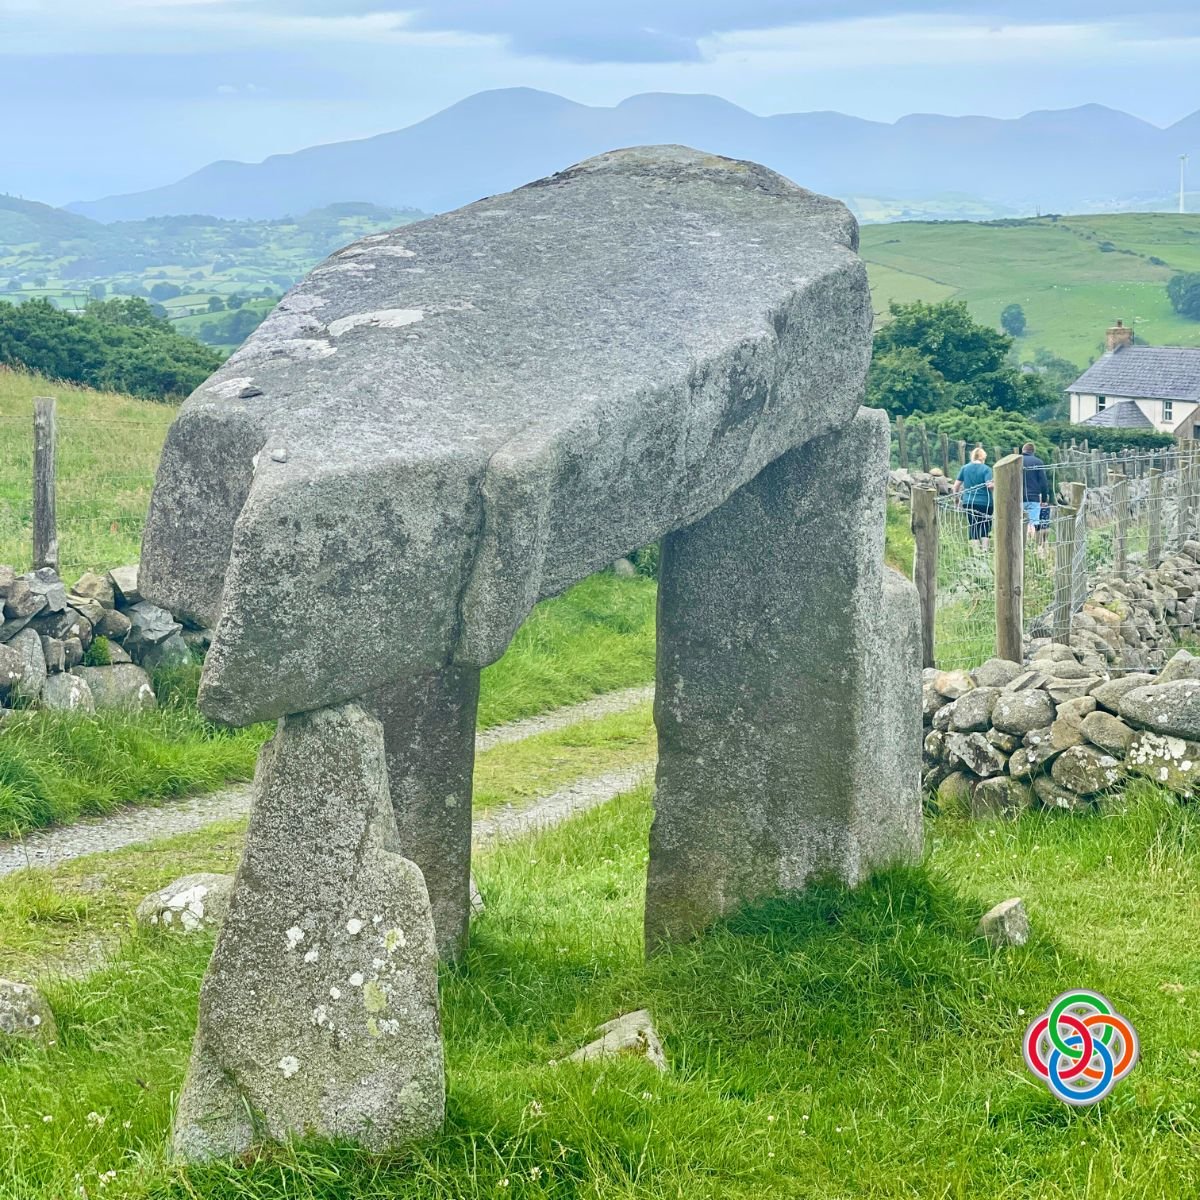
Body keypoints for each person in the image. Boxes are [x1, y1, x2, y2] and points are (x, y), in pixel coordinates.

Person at [954, 446, 994, 551]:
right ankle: (985, 551)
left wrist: (957, 499)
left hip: (969, 501)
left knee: (973, 525)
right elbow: (989, 485)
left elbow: (956, 486)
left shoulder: (965, 468)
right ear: (983, 457)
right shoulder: (986, 469)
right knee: (985, 525)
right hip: (986, 502)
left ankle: (976, 553)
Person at [1021, 441, 1051, 556]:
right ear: (1033, 451)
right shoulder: (1038, 462)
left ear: (1023, 450)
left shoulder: (1017, 461)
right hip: (1033, 497)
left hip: (1017, 497)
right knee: (1032, 522)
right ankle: (1031, 547)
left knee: (1020, 522)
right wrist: (1044, 499)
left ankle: (1022, 547)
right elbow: (1043, 483)